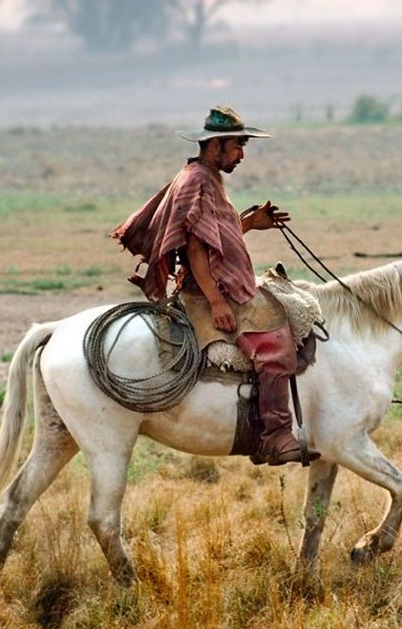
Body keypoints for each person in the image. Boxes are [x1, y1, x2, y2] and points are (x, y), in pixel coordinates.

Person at [111, 104, 319, 467]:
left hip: (223, 286)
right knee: (275, 346)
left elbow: (214, 237)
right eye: (238, 146)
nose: (241, 155)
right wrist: (217, 303)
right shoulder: (197, 181)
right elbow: (194, 246)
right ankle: (275, 435)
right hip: (211, 293)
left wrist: (250, 223)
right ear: (216, 145)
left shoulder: (207, 177)